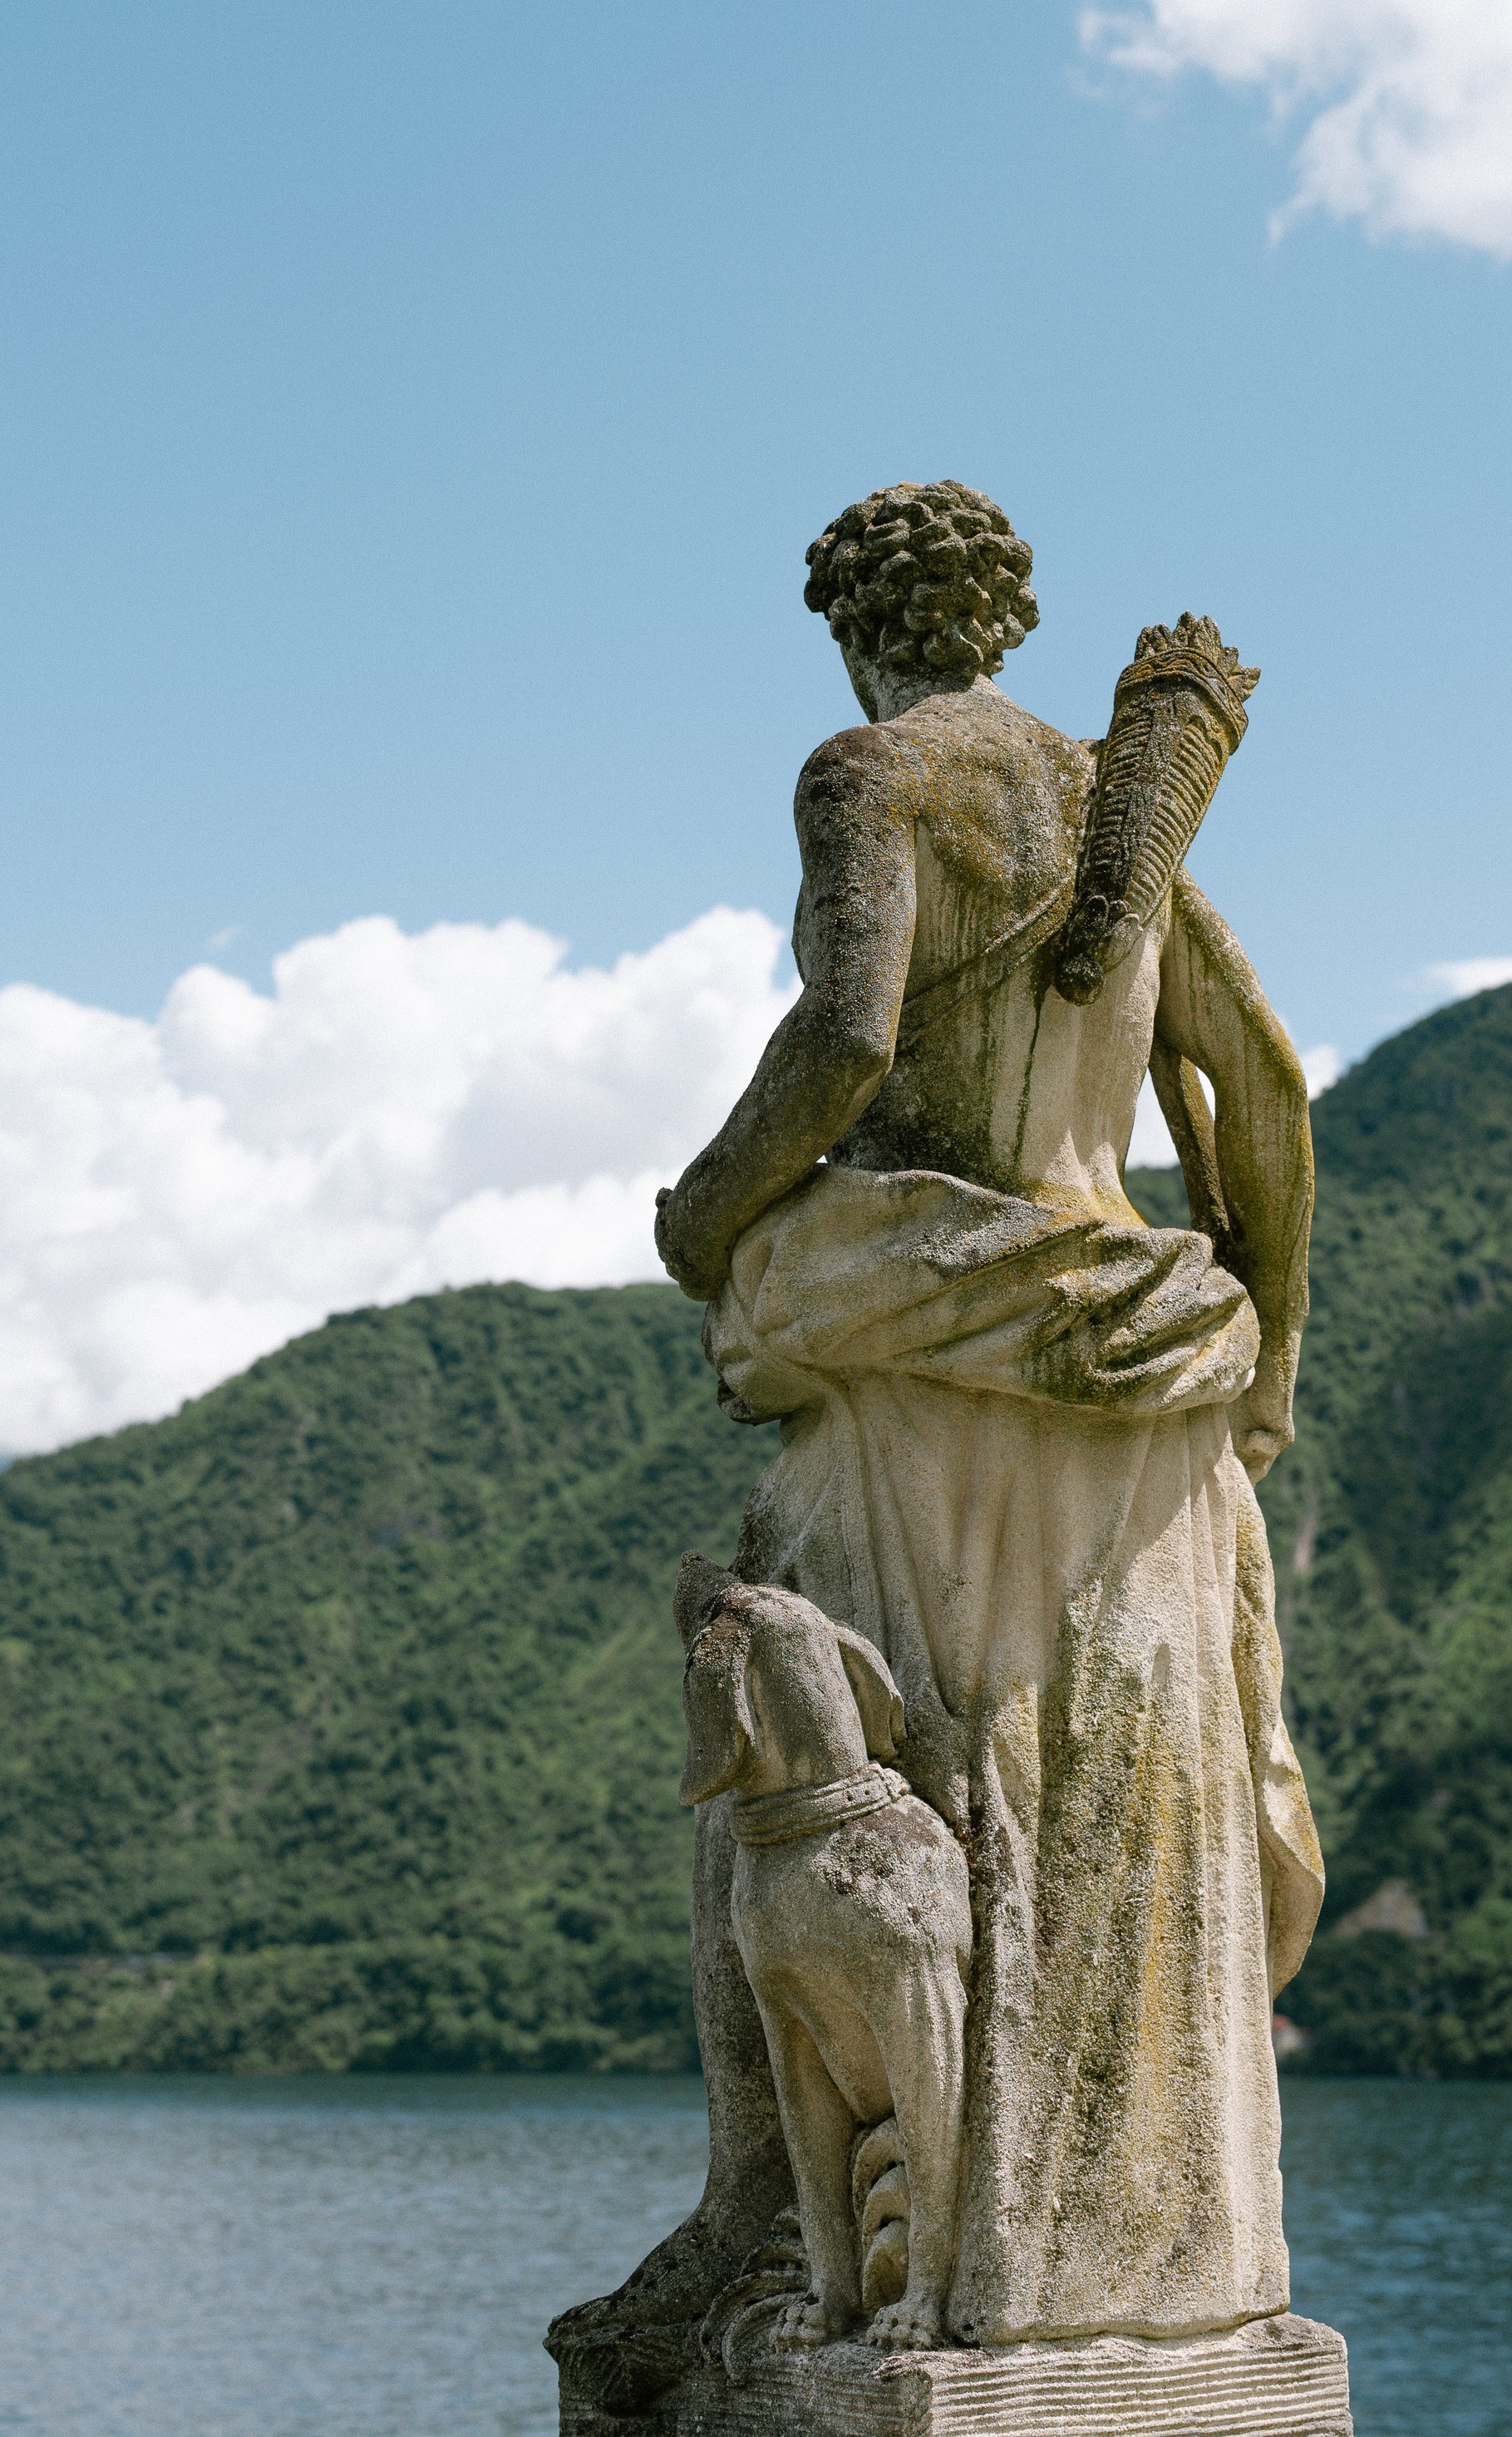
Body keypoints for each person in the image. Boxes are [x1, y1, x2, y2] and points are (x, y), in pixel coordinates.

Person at [573, 481, 1321, 2384]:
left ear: (853, 632)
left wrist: (703, 1210)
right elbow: (1263, 1095)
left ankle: (796, 2226)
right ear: (1003, 620)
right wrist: (1257, 1358)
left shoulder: (870, 776)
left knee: (802, 1778)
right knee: (1114, 1835)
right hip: (1140, 1404)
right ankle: (1145, 2279)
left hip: (922, 1378)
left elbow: (845, 1036)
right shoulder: (1109, 807)